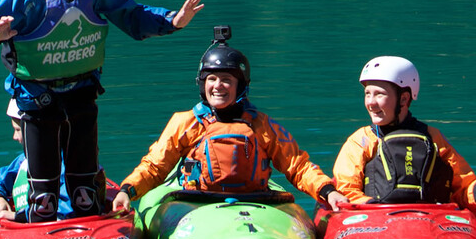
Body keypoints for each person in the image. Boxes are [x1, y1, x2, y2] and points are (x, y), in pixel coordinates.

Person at [0, 0, 204, 223]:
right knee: (46, 198)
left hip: (81, 94)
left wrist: (172, 21)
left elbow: (129, 13)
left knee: (83, 192)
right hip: (38, 100)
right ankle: (40, 227)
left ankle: (90, 225)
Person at [111, 28, 348, 212]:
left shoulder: (261, 125)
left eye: (227, 79)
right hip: (196, 201)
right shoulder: (186, 122)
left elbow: (297, 166)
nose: (218, 86)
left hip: (254, 201)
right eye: (212, 79)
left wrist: (327, 191)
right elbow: (155, 166)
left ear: (240, 87)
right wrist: (127, 191)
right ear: (203, 85)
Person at [332, 56, 476, 214]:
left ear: (404, 99)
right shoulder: (361, 141)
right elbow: (346, 191)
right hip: (378, 224)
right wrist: (379, 210)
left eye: (379, 94)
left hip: (428, 223)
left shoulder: (433, 138)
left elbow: (463, 187)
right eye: (367, 94)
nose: (370, 103)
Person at [0, 100, 72, 222]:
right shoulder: (23, 161)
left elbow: (70, 206)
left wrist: (18, 217)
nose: (14, 137)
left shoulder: (70, 163)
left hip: (58, 231)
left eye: (18, 130)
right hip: (29, 228)